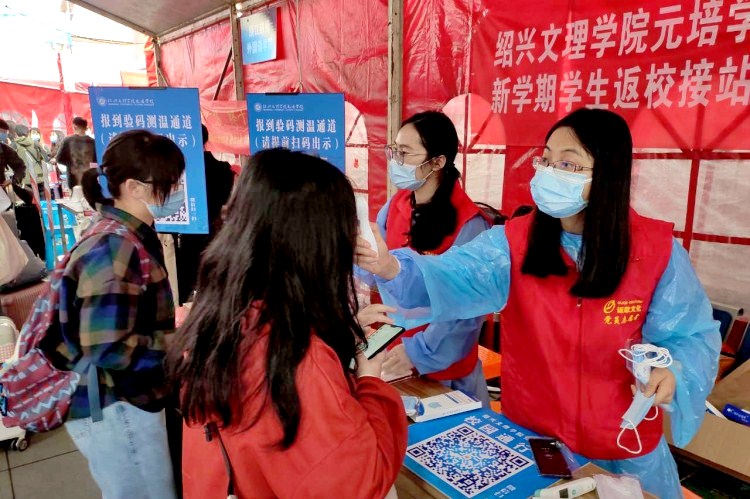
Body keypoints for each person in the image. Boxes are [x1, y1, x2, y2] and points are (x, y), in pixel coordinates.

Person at [357, 108, 721, 499]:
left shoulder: (655, 251)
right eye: (545, 160)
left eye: (567, 164)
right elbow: (451, 276)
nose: (549, 172)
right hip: (534, 440)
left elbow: (691, 335)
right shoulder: (514, 243)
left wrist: (674, 371)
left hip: (623, 444)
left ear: (607, 175)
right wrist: (393, 267)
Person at [169, 148, 407, 498]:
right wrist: (369, 377)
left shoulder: (219, 315)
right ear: (316, 247)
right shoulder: (297, 362)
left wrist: (333, 334)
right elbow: (361, 483)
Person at [44, 130, 185, 499]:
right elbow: (107, 347)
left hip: (122, 399)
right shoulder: (114, 247)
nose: (177, 191)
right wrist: (181, 342)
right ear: (134, 187)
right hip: (116, 405)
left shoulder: (124, 233)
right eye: (170, 183)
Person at [360, 111, 492, 405]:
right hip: (395, 353)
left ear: (437, 162)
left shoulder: (470, 225)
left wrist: (416, 351)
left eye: (405, 153)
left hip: (443, 368)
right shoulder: (396, 205)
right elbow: (375, 271)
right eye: (394, 150)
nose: (396, 161)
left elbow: (466, 313)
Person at [175, 124, 235, 303]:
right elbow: (224, 200)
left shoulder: (177, 170)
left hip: (182, 239)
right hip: (211, 235)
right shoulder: (222, 170)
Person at [55, 116, 97, 189]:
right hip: (90, 180)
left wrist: (71, 164)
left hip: (73, 180)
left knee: (76, 195)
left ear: (74, 127)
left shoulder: (67, 141)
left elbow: (59, 159)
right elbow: (96, 162)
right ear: (86, 127)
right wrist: (89, 166)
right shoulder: (92, 142)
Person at [14, 124, 47, 189]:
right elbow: (45, 159)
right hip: (39, 177)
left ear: (16, 134)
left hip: (24, 179)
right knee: (40, 194)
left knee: (28, 195)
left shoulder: (14, 145)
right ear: (28, 133)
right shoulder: (35, 143)